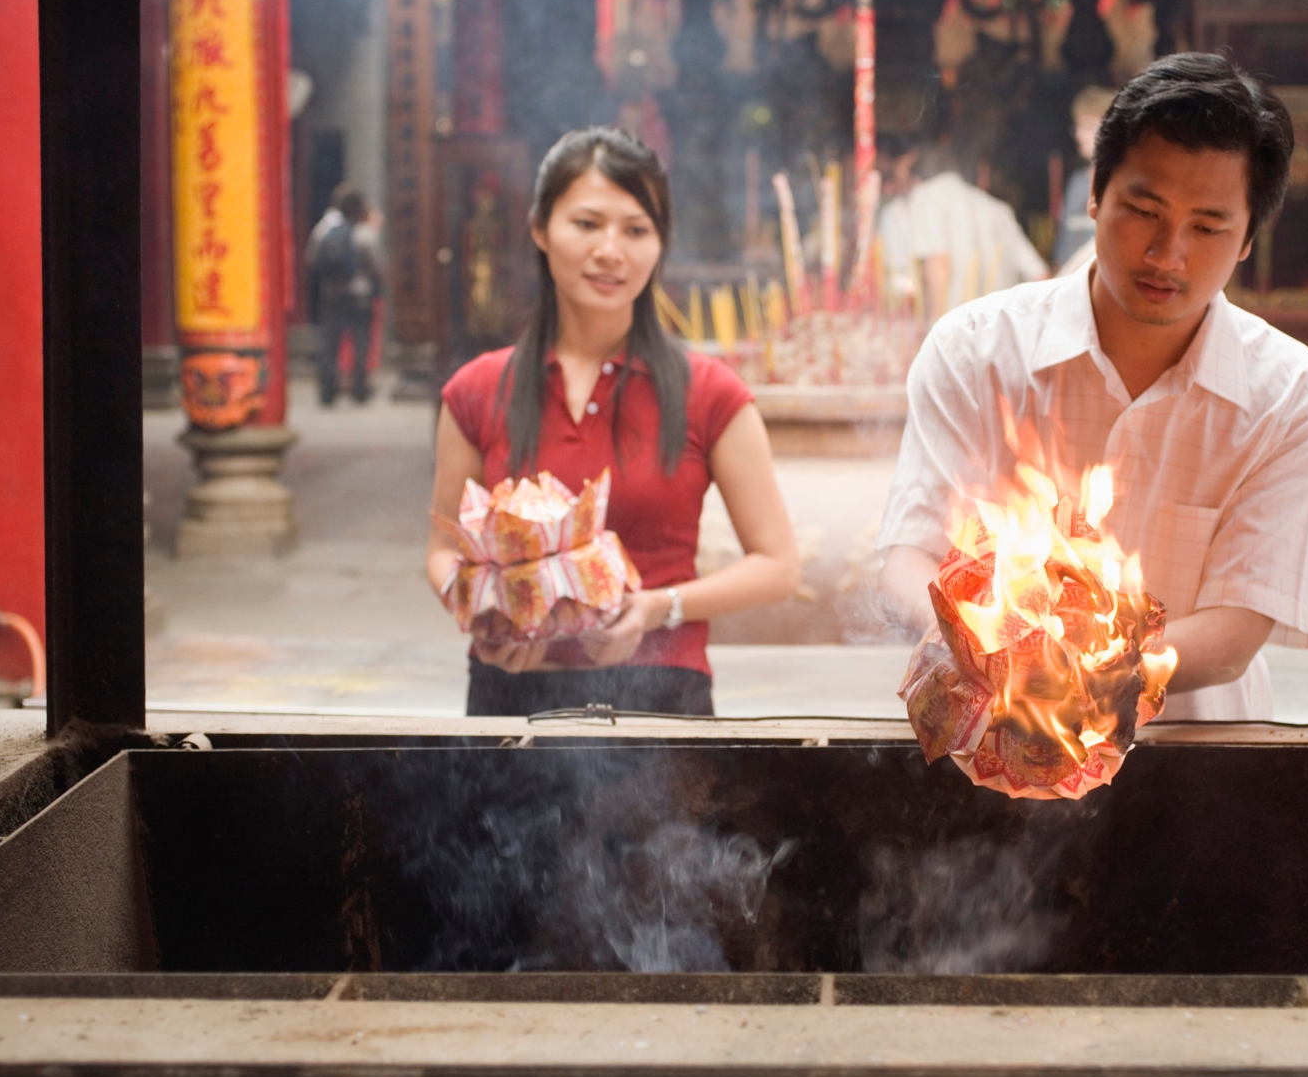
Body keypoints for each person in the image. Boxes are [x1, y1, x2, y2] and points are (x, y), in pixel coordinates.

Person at [877, 54, 1308, 721]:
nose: (1167, 254)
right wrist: (997, 653)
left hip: (1197, 759)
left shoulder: (1292, 399)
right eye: (1144, 210)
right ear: (1095, 191)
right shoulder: (975, 354)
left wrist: (1072, 675)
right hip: (992, 742)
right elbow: (909, 557)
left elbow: (1235, 631)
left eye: (1207, 227)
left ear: (1247, 239)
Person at [426, 127, 802, 717]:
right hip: (510, 693)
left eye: (636, 230)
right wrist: (489, 613)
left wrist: (659, 608)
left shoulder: (708, 392)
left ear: (659, 245)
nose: (611, 251)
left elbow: (778, 566)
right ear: (540, 230)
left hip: (660, 696)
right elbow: (443, 551)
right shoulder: (476, 391)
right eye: (587, 224)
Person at [876, 135, 1047, 322]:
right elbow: (1041, 277)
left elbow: (938, 260)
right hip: (999, 333)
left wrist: (935, 327)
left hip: (958, 334)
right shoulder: (998, 210)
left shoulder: (926, 198)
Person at [307, 184, 384, 406]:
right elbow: (377, 265)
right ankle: (359, 389)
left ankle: (328, 390)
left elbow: (311, 259)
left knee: (329, 342)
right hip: (360, 294)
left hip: (331, 293)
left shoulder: (324, 229)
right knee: (361, 341)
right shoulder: (365, 232)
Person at [1053, 84, 1117, 273]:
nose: (1080, 135)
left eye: (1088, 127)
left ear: (1110, 128)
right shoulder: (1077, 183)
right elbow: (1064, 244)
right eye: (1078, 126)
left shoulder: (1119, 183)